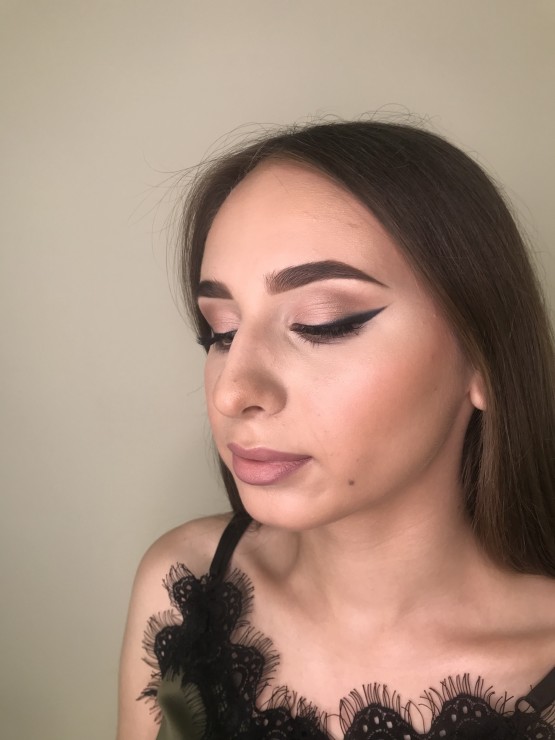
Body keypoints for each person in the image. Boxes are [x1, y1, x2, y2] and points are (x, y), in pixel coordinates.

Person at [116, 120, 555, 740]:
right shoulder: (184, 585)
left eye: (323, 322)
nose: (232, 392)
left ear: (483, 359)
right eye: (222, 331)